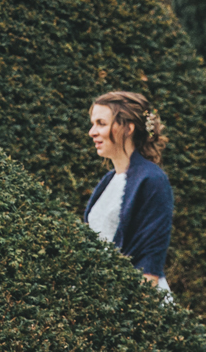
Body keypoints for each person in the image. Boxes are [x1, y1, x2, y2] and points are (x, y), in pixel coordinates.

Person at [83, 89, 173, 296]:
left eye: (101, 123)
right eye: (93, 123)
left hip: (135, 303)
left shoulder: (152, 180)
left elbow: (150, 264)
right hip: (102, 296)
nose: (92, 132)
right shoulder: (109, 180)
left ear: (127, 128)